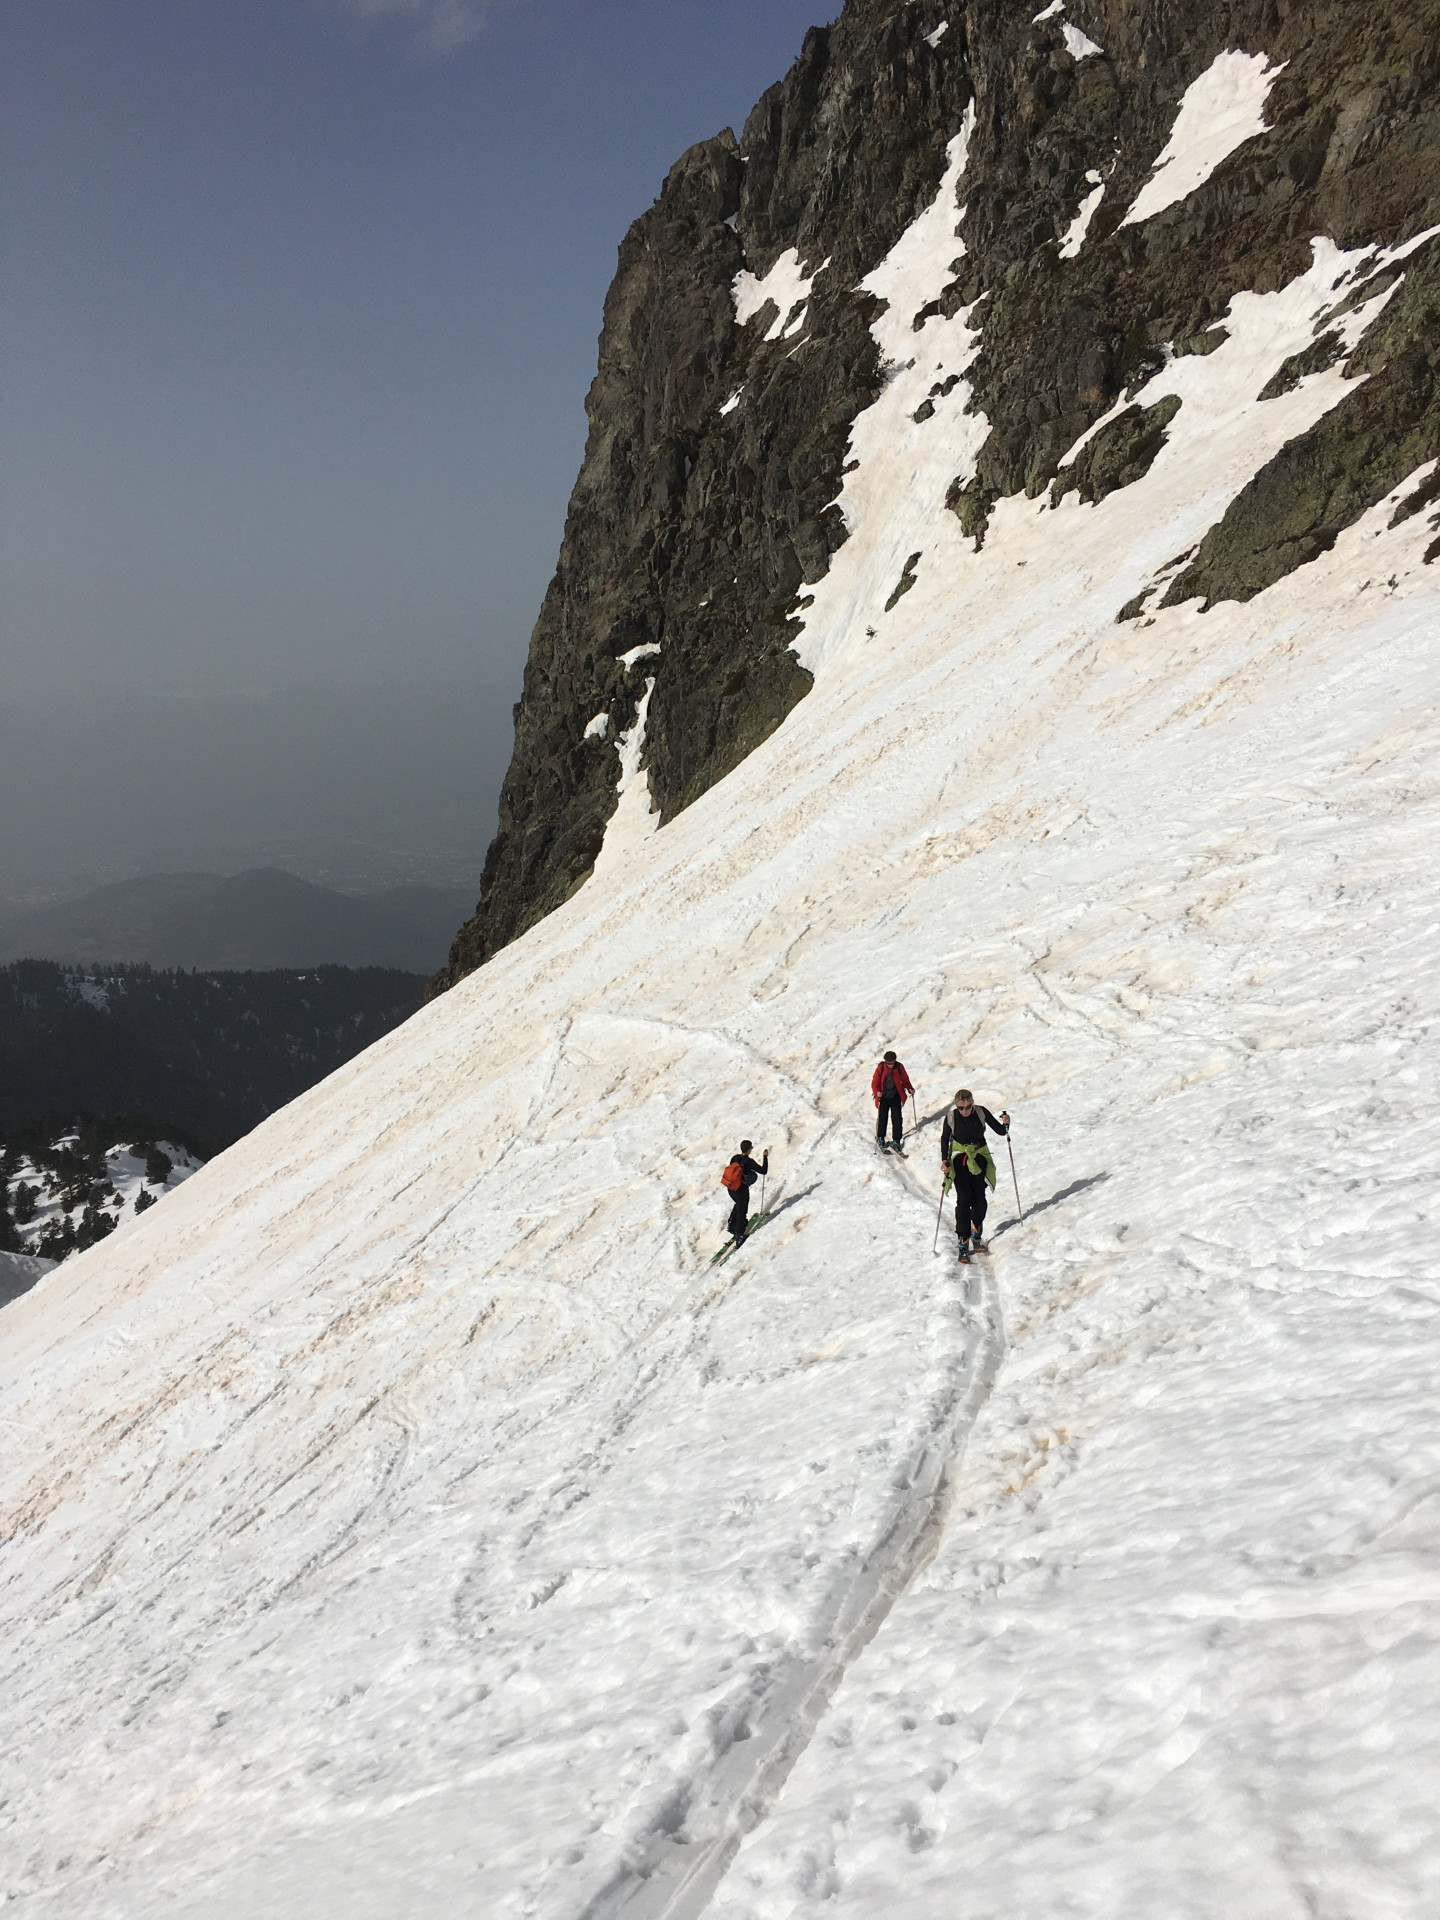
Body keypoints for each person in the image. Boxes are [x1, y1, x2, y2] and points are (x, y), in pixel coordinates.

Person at [940, 1090, 1010, 1259]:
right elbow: (944, 1139)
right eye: (960, 1108)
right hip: (959, 1160)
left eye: (967, 1107)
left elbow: (1001, 1131)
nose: (964, 1111)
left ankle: (976, 1230)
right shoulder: (951, 1117)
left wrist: (1006, 1124)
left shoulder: (981, 1112)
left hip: (979, 1158)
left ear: (972, 1103)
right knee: (963, 1200)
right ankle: (963, 1241)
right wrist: (944, 1161)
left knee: (979, 1199)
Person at [725, 1139, 769, 1243]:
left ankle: (732, 1226)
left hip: (731, 1188)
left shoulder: (734, 1158)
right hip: (741, 1190)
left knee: (738, 1205)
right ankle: (739, 1235)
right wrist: (765, 1157)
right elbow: (764, 1171)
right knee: (742, 1211)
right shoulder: (749, 1162)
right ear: (749, 1150)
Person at [871, 1050, 914, 1152]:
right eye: (888, 1063)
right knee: (882, 1117)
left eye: (892, 1063)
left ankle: (896, 1140)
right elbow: (875, 1082)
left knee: (897, 1118)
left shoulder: (899, 1067)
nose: (890, 1065)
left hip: (895, 1095)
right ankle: (881, 1137)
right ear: (885, 1061)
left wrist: (910, 1088)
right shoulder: (881, 1068)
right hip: (884, 1096)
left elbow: (905, 1079)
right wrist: (877, 1092)